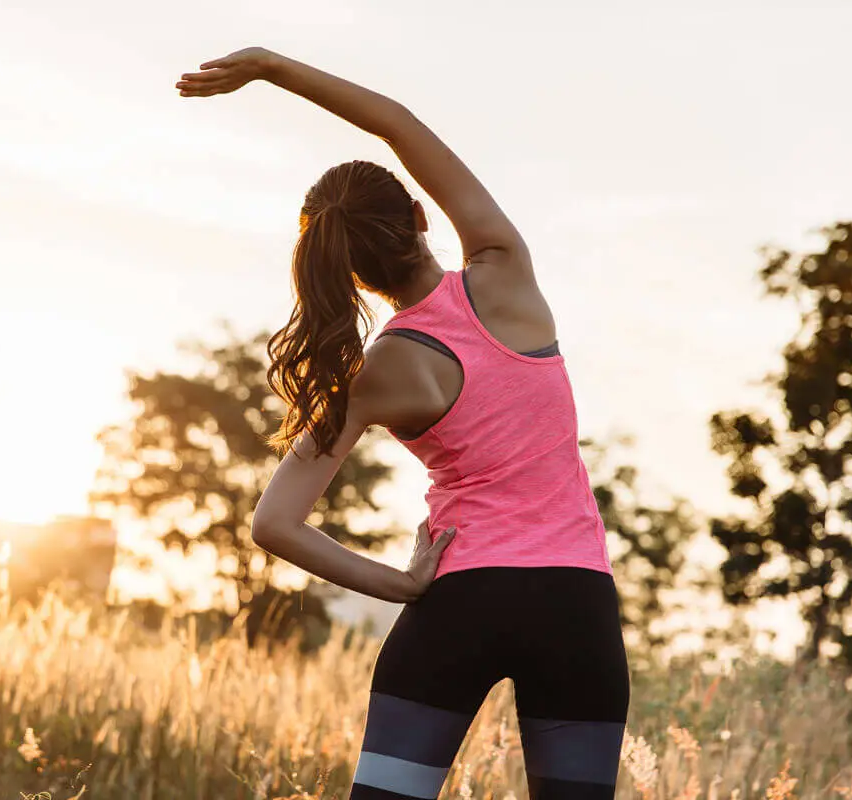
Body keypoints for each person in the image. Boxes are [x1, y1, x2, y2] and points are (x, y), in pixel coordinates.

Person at [176, 47, 630, 800]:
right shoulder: (504, 267)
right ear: (420, 218)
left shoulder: (372, 375)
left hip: (459, 599)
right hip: (574, 601)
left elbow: (275, 524)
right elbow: (398, 123)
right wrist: (270, 68)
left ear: (348, 272)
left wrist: (398, 584)